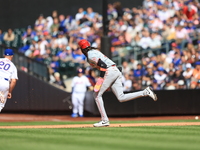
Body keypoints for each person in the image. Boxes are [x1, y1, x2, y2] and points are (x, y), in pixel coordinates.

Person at [78, 39, 157, 127]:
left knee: (96, 95)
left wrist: (101, 80)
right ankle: (145, 92)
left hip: (109, 71)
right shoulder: (94, 52)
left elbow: (103, 65)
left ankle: (104, 120)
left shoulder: (90, 55)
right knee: (121, 97)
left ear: (82, 49)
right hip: (115, 70)